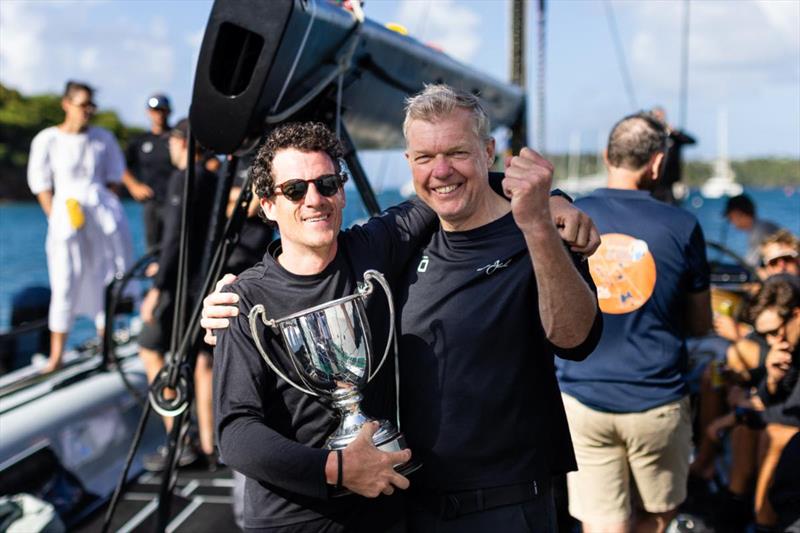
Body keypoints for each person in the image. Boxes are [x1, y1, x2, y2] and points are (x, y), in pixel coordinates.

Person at [208, 85, 601, 533]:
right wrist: (335, 469)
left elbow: (451, 182)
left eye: (327, 184)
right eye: (294, 189)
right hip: (321, 517)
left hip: (452, 508)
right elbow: (235, 432)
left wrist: (547, 206)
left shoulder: (376, 247)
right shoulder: (248, 301)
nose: (313, 199)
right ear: (268, 204)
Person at [556, 112, 712, 532]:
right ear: (657, 164)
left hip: (581, 399)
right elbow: (701, 325)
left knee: (602, 522)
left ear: (606, 156)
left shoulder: (570, 216)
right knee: (658, 514)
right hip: (657, 400)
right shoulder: (683, 225)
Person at [27, 80, 134, 373]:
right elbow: (41, 182)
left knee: (106, 274)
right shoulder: (48, 139)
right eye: (82, 104)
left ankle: (107, 347)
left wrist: (103, 205)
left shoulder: (103, 138)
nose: (87, 111)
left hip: (100, 216)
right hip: (67, 217)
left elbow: (113, 176)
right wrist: (54, 215)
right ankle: (56, 355)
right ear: (67, 104)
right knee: (65, 279)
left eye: (91, 105)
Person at [138, 118, 220, 471]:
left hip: (181, 289)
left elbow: (174, 239)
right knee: (204, 364)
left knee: (149, 347)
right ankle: (209, 444)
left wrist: (156, 290)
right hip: (204, 284)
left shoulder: (183, 178)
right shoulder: (213, 178)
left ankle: (178, 439)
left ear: (182, 142)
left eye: (172, 141)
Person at [122, 94, 175, 252]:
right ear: (148, 112)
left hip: (174, 202)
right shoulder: (140, 140)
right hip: (151, 202)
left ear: (168, 112)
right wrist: (133, 186)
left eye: (162, 110)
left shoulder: (177, 138)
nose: (158, 114)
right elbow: (120, 165)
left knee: (173, 246)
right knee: (152, 249)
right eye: (154, 110)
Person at [649, 106, 696, 204]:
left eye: (660, 117)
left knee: (672, 207)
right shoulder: (649, 136)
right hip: (654, 181)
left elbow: (691, 141)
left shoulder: (674, 136)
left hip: (671, 182)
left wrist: (674, 132)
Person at [724, 194, 782, 268]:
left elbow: (751, 265)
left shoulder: (760, 231)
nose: (731, 222)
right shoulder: (760, 227)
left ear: (738, 213)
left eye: (731, 218)